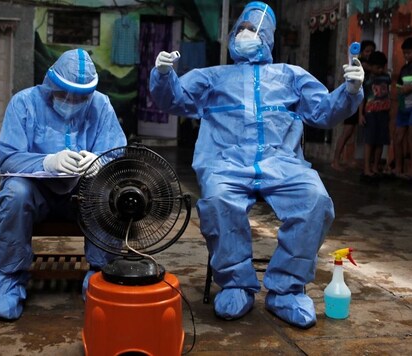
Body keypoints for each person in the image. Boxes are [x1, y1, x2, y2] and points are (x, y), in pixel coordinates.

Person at [149, 1, 363, 329]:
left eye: (253, 31)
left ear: (268, 38)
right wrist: (163, 76)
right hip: (226, 163)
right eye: (241, 30)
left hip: (282, 163)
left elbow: (324, 113)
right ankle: (236, 284)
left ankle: (286, 289)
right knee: (218, 200)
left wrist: (350, 90)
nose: (245, 35)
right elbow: (173, 100)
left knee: (316, 200)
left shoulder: (292, 76)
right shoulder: (212, 77)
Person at [0, 48, 127, 320]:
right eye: (63, 94)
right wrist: (46, 163)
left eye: (81, 97)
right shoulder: (24, 103)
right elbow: (7, 159)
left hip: (82, 196)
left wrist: (99, 161)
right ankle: (10, 277)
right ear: (50, 84)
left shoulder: (101, 105)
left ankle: (101, 275)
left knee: (108, 191)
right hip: (35, 195)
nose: (71, 101)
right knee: (14, 192)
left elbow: (116, 152)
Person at [331, 40, 376, 171]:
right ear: (361, 52)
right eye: (367, 51)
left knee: (353, 132)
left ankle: (348, 159)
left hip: (363, 102)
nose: (369, 54)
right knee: (347, 131)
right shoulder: (359, 63)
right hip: (353, 101)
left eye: (371, 52)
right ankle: (335, 160)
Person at [359, 51, 391, 180]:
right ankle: (366, 168)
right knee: (370, 141)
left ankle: (375, 167)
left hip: (383, 113)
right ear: (370, 66)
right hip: (370, 113)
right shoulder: (366, 79)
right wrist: (361, 114)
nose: (381, 69)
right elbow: (362, 98)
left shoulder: (386, 77)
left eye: (382, 67)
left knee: (380, 141)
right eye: (378, 67)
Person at [394, 37, 412, 181]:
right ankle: (398, 169)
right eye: (404, 53)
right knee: (398, 138)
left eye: (409, 53)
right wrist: (403, 91)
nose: (406, 56)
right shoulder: (404, 69)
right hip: (403, 108)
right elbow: (398, 90)